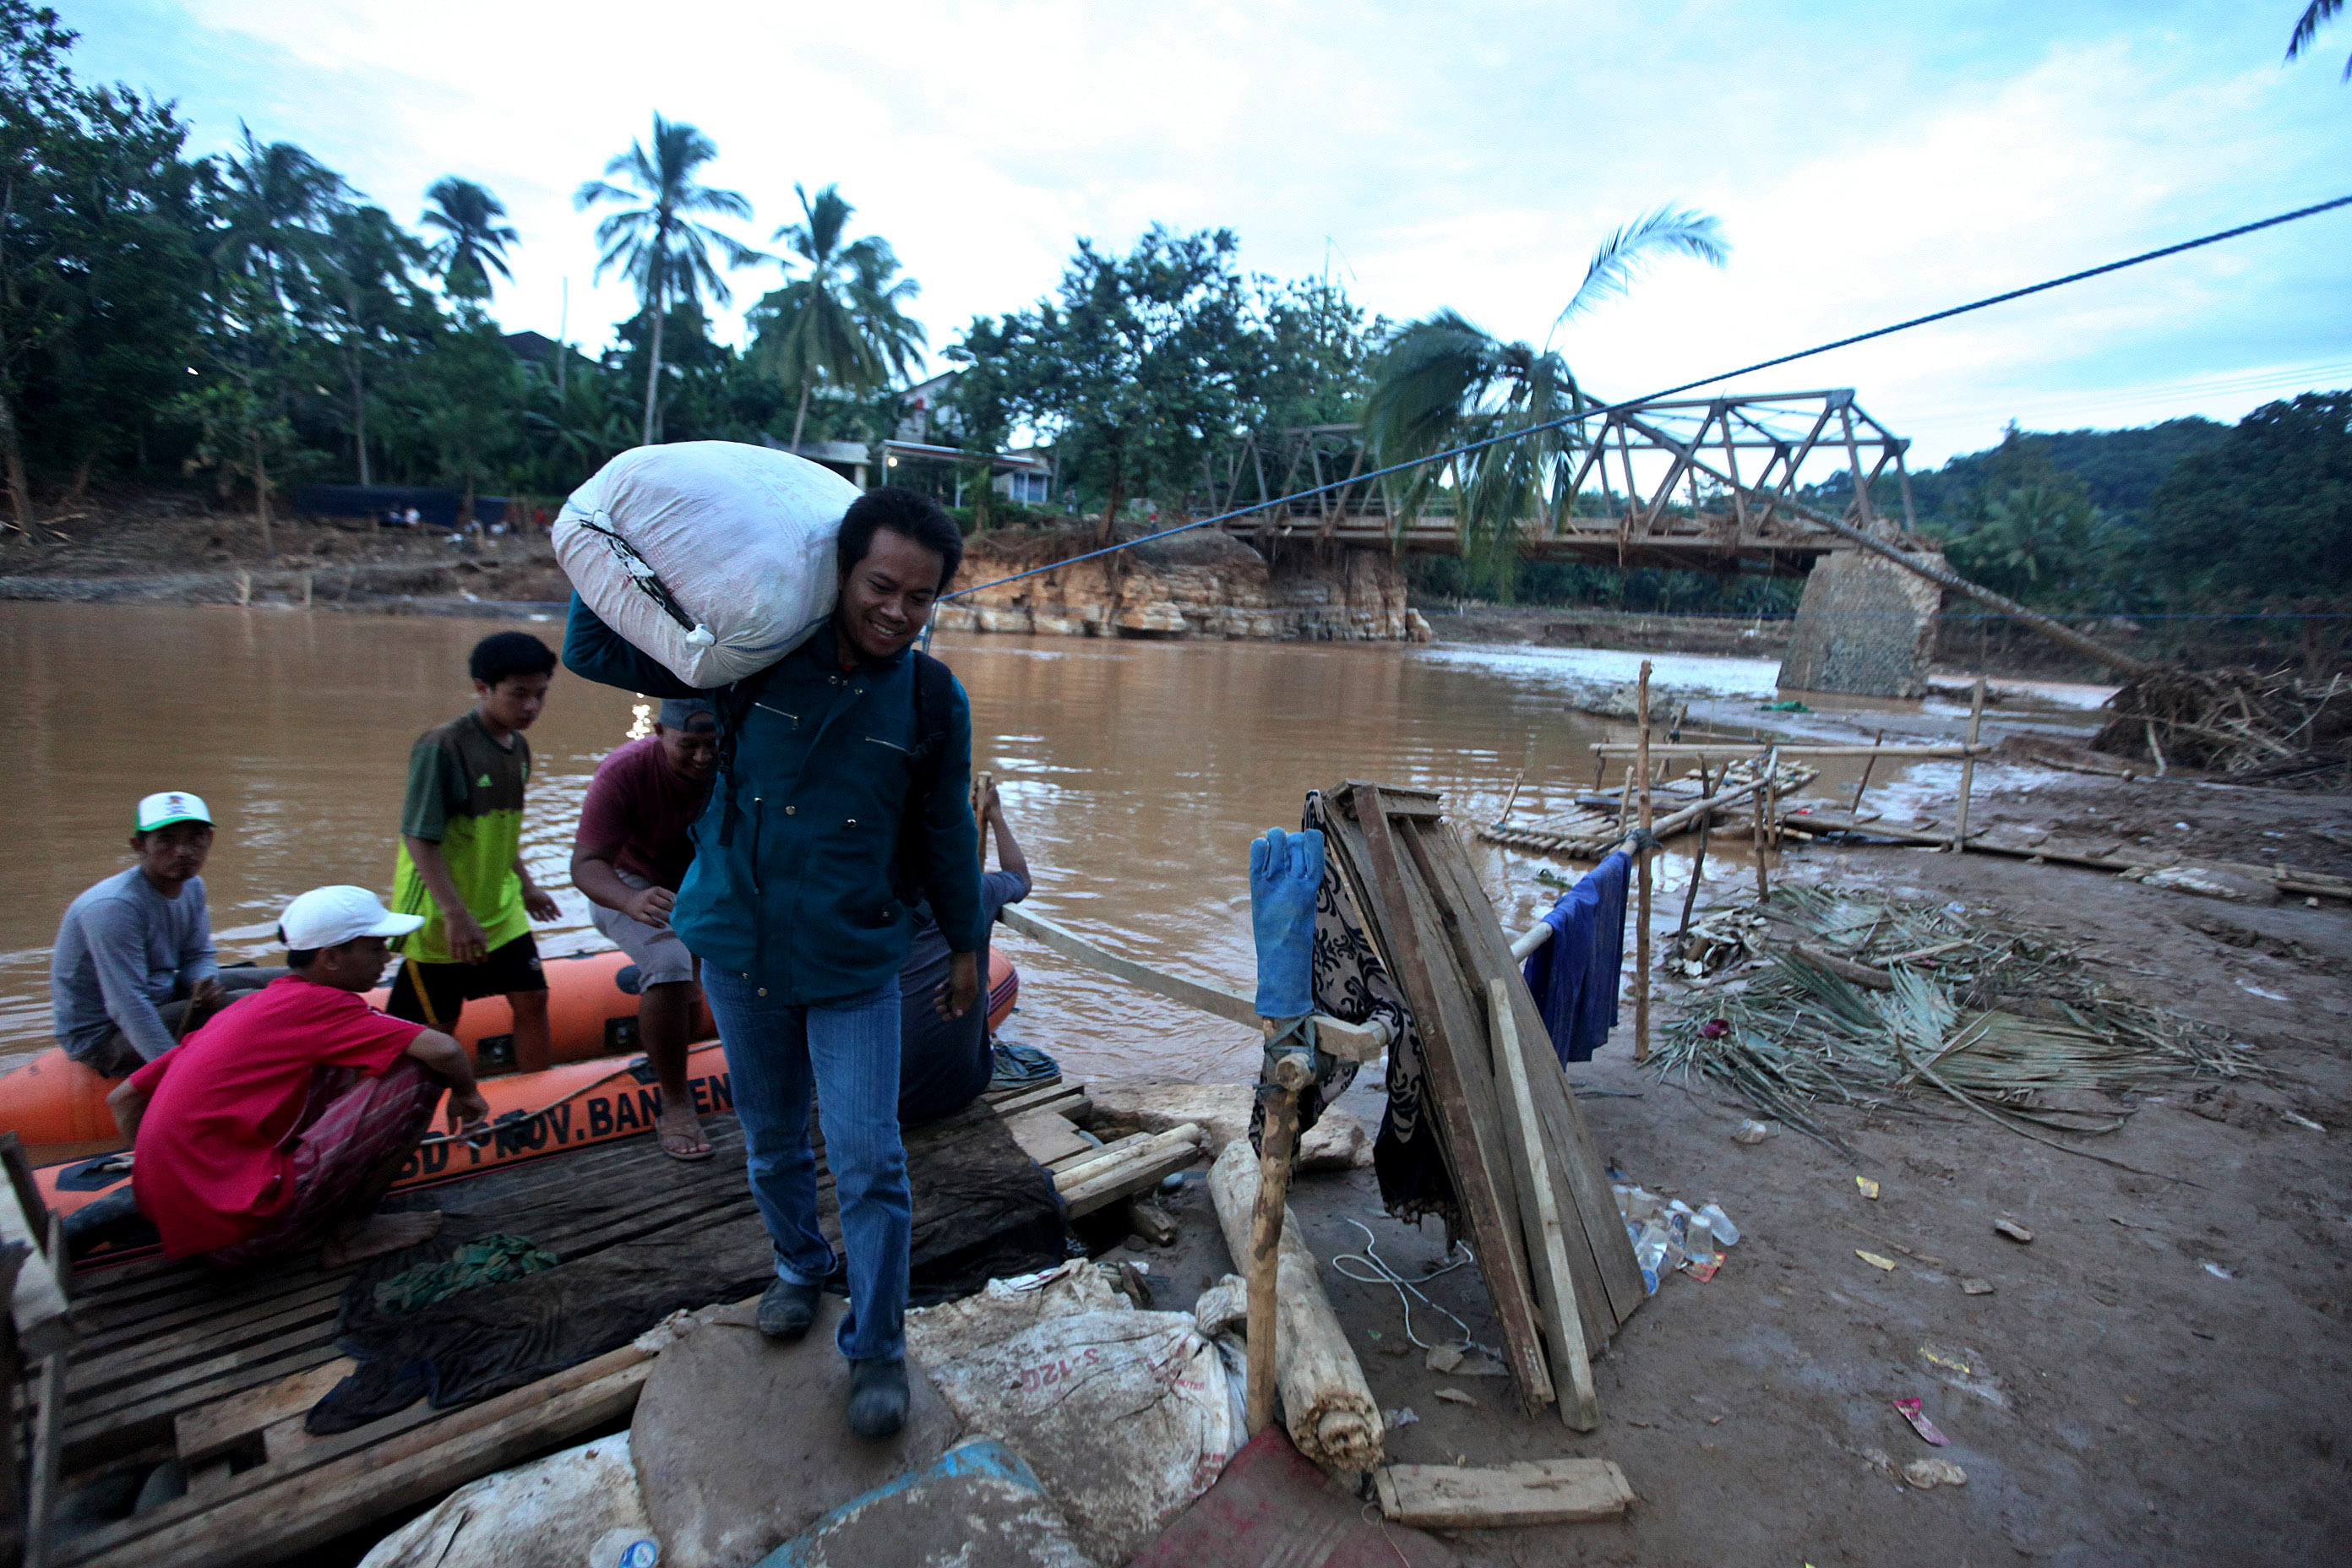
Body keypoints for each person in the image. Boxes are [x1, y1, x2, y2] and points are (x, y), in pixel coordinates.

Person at [564, 487, 985, 1440]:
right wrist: (604, 537)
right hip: (739, 946)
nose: (898, 612)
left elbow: (946, 833)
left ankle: (877, 1345)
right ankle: (799, 1264)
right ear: (841, 574)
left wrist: (966, 945)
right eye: (881, 586)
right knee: (771, 1137)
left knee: (871, 1157)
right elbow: (593, 651)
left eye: (920, 597)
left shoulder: (931, 697)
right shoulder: (747, 655)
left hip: (853, 957)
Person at [106, 885, 490, 1266]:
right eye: (375, 948)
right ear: (331, 959)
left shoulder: (250, 1006)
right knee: (419, 1071)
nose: (387, 957)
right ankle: (352, 1234)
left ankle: (248, 1188)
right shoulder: (321, 1005)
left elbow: (123, 1098)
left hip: (178, 1226)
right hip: (246, 1234)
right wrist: (467, 1094)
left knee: (350, 1060)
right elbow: (443, 1050)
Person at [387, 633, 564, 1070]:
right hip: (439, 914)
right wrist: (456, 914)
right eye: (518, 694)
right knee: (437, 1025)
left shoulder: (518, 747)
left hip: (499, 906)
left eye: (540, 694)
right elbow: (419, 839)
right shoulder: (442, 746)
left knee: (533, 999)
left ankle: (536, 1097)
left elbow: (501, 830)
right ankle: (416, 1105)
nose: (531, 706)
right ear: (483, 689)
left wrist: (527, 886)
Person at [571, 697, 720, 1160]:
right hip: (628, 881)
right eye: (688, 745)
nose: (703, 758)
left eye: (713, 744)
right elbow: (586, 864)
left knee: (700, 981)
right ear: (659, 734)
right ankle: (675, 1103)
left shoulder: (739, 764)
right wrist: (629, 899)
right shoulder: (624, 771)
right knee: (670, 961)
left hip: (704, 882)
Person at [51, 792, 285, 1078]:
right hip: (104, 1036)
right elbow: (127, 1004)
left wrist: (203, 981)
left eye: (195, 838)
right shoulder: (114, 907)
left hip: (161, 992)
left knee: (286, 980)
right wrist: (176, 1074)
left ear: (210, 840)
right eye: (167, 840)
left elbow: (198, 954)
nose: (183, 851)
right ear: (139, 846)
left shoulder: (192, 886)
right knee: (256, 1004)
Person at [897, 783, 1030, 1124]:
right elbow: (1020, 877)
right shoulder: (978, 893)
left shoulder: (869, 902)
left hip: (877, 1097)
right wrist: (996, 816)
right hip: (958, 1090)